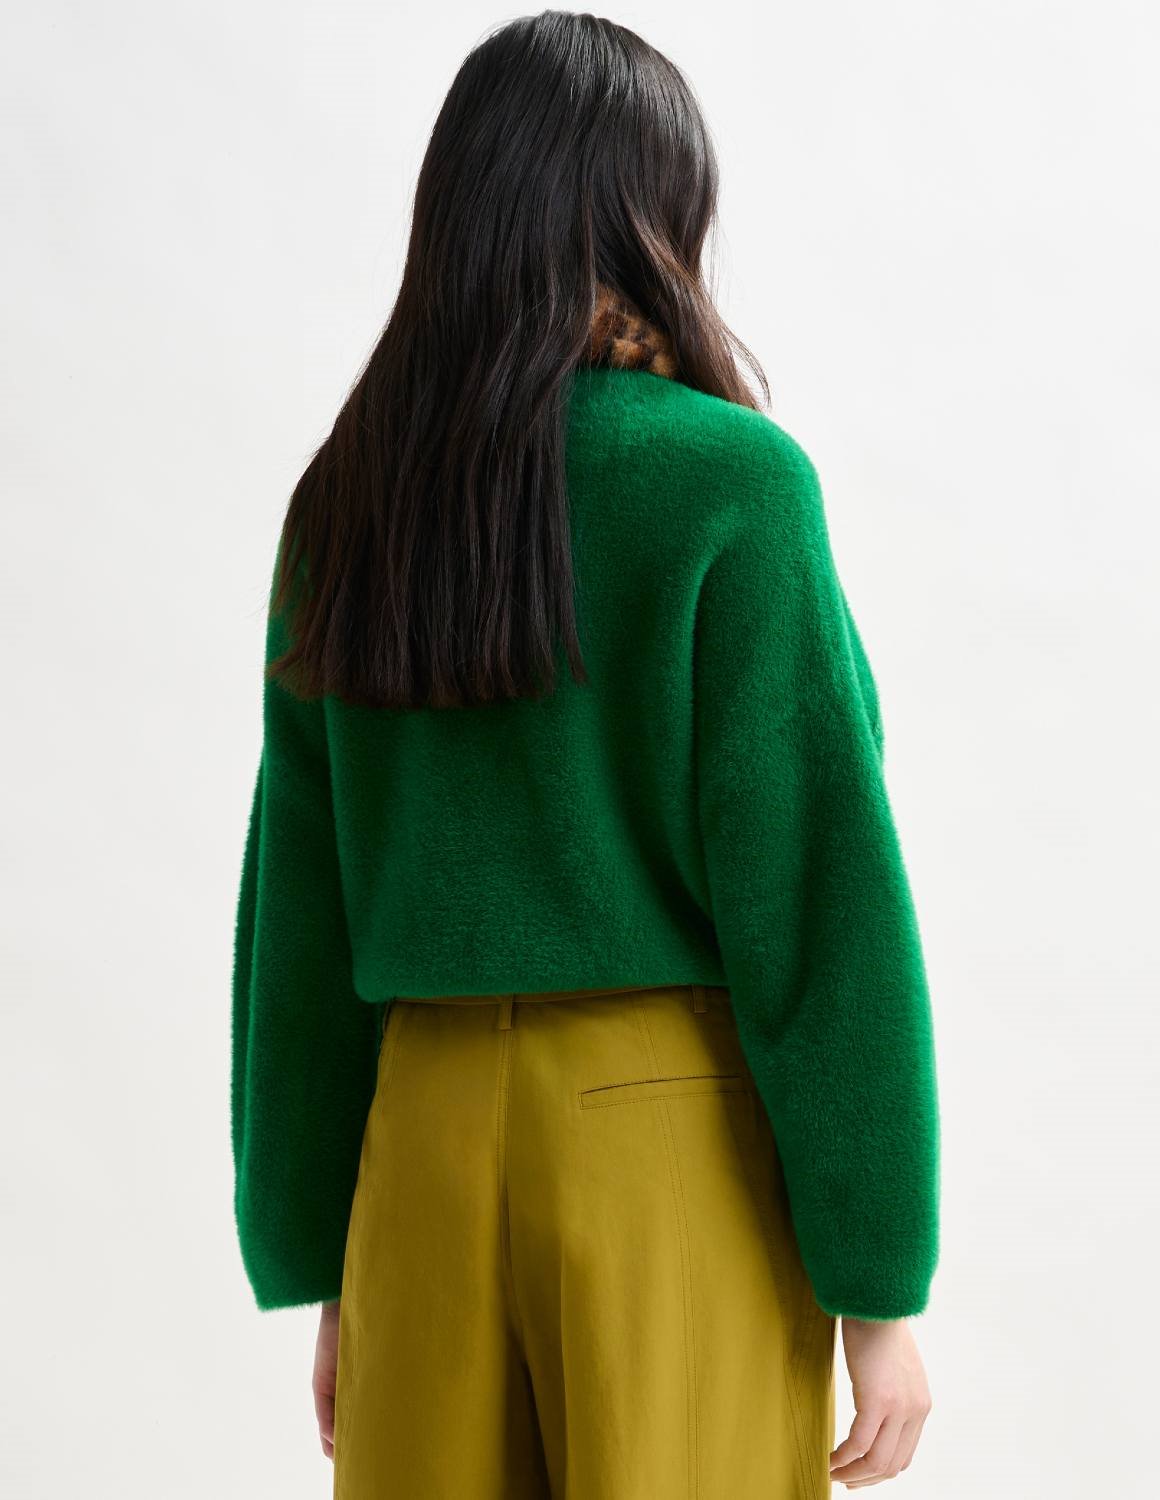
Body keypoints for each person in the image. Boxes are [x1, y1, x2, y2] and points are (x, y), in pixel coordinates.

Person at [230, 11, 940, 1497]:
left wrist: (331, 1261)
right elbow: (818, 899)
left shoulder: (347, 503)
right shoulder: (729, 484)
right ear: (653, 216)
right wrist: (878, 1286)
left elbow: (297, 910)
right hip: (662, 1145)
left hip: (418, 1144)